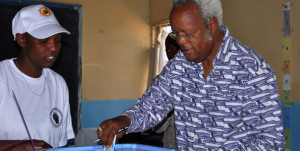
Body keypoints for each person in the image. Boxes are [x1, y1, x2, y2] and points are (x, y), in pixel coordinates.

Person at [97, 0, 285, 150]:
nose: (180, 41)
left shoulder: (253, 70)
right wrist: (124, 121)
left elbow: (270, 141)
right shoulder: (180, 66)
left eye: (187, 33)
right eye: (176, 34)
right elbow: (152, 104)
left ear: (212, 25)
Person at [0, 4, 74, 150]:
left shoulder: (58, 84)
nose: (53, 48)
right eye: (44, 41)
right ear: (22, 40)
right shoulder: (2, 77)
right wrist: (15, 147)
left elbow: (61, 144)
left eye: (57, 40)